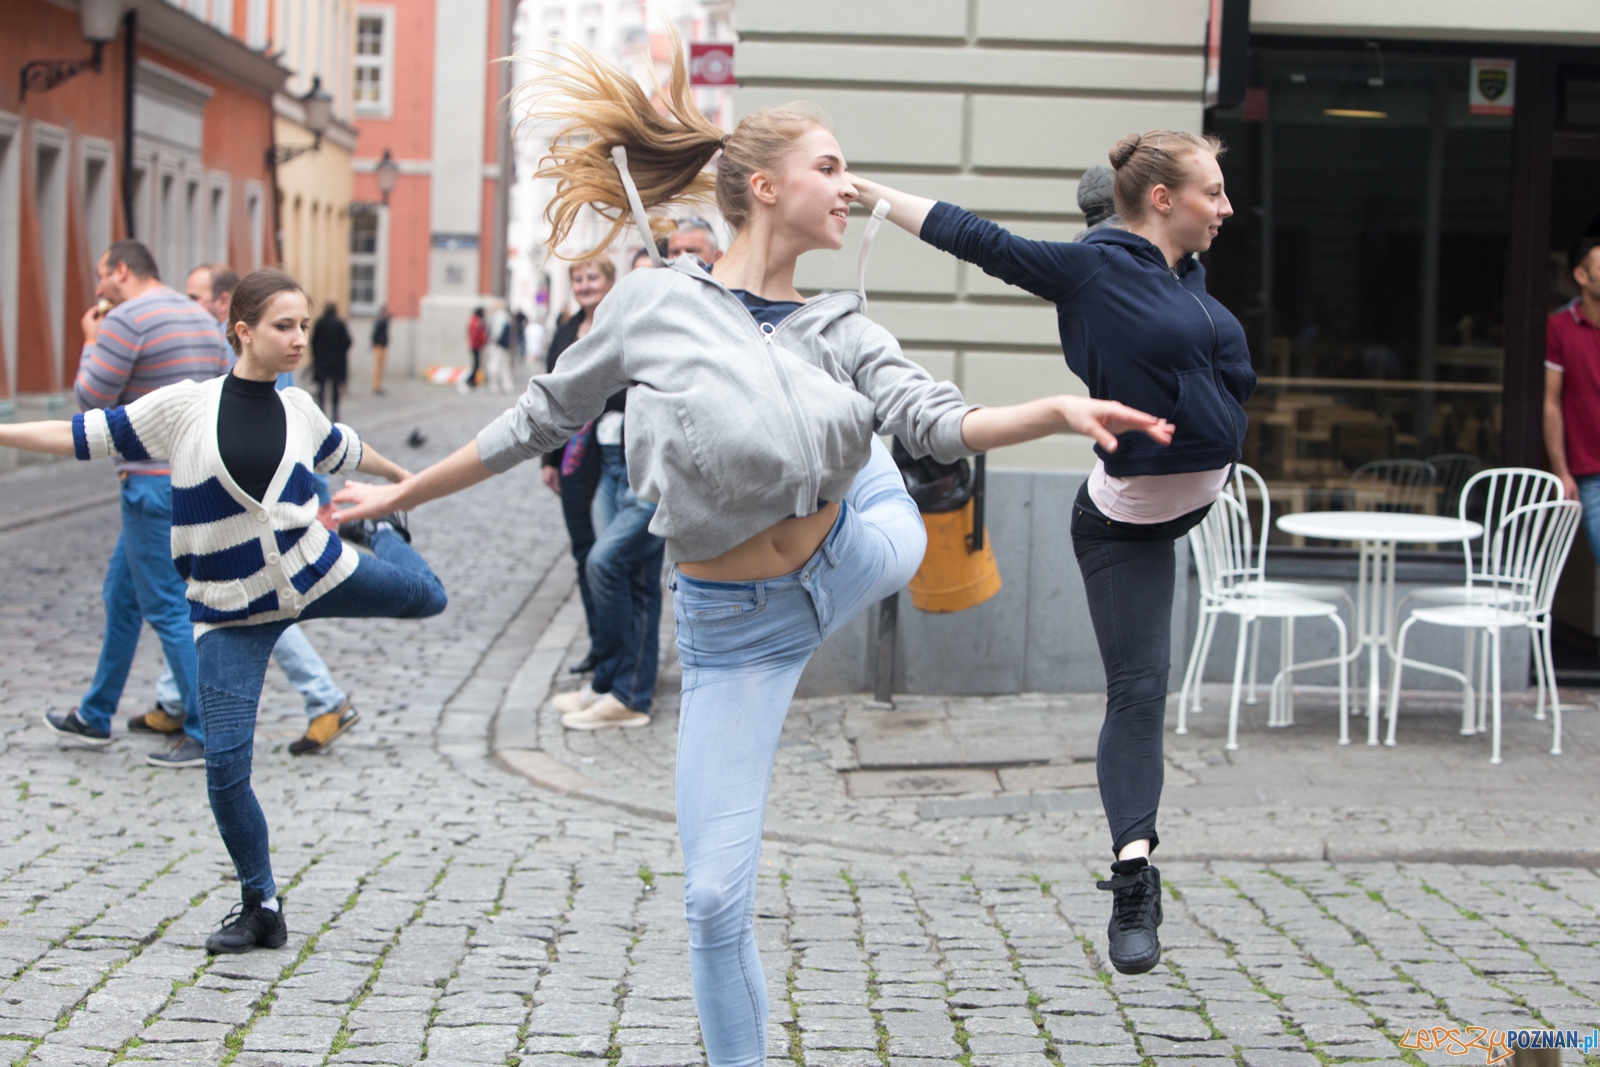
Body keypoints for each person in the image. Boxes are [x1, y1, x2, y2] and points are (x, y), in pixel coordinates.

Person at [335, 34, 1169, 1063]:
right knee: (712, 894)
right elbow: (535, 420)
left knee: (885, 479)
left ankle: (853, 464)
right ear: (765, 187)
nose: (848, 184)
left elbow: (935, 416)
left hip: (856, 551)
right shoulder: (652, 304)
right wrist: (406, 487)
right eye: (830, 166)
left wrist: (1042, 409)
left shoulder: (842, 324)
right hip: (738, 634)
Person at [853, 128, 1253, 977]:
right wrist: (871, 192)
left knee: (1148, 690)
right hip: (1125, 521)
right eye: (1212, 193)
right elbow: (975, 237)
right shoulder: (1092, 271)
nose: (1227, 207)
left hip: (1190, 501)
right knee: (1140, 693)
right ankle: (1134, 877)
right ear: (1163, 199)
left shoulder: (1185, 269)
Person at [0, 269, 445, 954]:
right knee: (225, 766)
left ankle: (377, 534)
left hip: (316, 569)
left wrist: (398, 487)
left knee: (429, 595)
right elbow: (81, 431)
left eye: (303, 325)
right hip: (229, 611)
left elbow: (345, 449)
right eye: (283, 327)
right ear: (243, 330)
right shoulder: (185, 406)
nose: (299, 339)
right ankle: (261, 904)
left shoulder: (300, 410)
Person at [42, 241, 232, 767]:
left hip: (149, 483)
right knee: (120, 596)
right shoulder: (198, 317)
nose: (99, 287)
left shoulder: (125, 320)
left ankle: (204, 732)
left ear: (122, 272)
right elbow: (223, 390)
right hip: (192, 477)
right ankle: (96, 713)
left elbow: (91, 400)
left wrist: (89, 340)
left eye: (102, 276)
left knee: (169, 608)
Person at [183, 264, 362, 756]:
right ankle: (172, 701)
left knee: (249, 606)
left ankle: (322, 698)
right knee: (217, 602)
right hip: (229, 513)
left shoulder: (267, 365)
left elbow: (302, 444)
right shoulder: (235, 355)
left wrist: (322, 502)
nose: (191, 303)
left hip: (263, 519)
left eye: (198, 296)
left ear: (225, 305)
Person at [540, 258, 618, 676]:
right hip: (572, 456)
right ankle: (597, 644)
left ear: (610, 282)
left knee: (606, 556)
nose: (586, 285)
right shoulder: (566, 331)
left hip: (610, 452)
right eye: (579, 279)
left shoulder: (617, 324)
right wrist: (548, 460)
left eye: (593, 278)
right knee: (583, 550)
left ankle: (613, 647)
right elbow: (551, 396)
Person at [1545, 235, 1600, 561]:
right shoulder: (1559, 328)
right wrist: (1561, 469)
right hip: (1592, 474)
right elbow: (1550, 400)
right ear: (1582, 276)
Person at [311, 302, 351, 420]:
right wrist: (340, 351)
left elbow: (314, 341)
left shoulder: (320, 323)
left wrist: (316, 356)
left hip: (322, 360)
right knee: (335, 388)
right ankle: (335, 412)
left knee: (322, 387)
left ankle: (321, 411)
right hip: (336, 361)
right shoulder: (339, 324)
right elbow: (347, 341)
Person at [486, 300, 516, 394]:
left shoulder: (498, 317)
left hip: (497, 346)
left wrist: (492, 341)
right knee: (505, 366)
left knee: (494, 364)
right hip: (505, 346)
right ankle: (507, 386)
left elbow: (496, 332)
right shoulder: (506, 316)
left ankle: (494, 385)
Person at [462, 307, 488, 392]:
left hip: (475, 344)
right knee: (476, 364)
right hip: (476, 345)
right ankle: (469, 380)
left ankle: (472, 381)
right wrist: (483, 341)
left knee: (476, 364)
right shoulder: (476, 321)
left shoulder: (473, 320)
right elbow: (477, 333)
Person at [370, 305, 391, 396]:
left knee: (381, 367)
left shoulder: (382, 321)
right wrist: (375, 344)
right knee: (378, 367)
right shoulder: (380, 322)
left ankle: (378, 385)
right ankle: (375, 386)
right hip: (379, 346)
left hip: (383, 346)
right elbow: (375, 335)